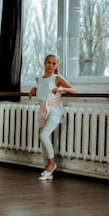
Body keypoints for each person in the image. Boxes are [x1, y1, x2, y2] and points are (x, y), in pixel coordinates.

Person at [28, 53, 75, 181]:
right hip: (44, 110)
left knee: (43, 135)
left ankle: (52, 164)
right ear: (44, 63)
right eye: (48, 62)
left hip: (55, 111)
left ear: (56, 65)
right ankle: (47, 169)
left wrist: (61, 89)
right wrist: (34, 89)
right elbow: (43, 90)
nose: (50, 65)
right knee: (44, 141)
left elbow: (73, 89)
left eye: (54, 63)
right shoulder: (39, 79)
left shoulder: (58, 78)